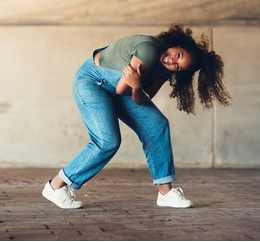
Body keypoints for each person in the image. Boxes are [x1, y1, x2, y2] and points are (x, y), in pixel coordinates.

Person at [42, 24, 232, 209]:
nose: (172, 61)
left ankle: (166, 194)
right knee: (107, 141)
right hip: (92, 82)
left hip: (121, 89)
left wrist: (137, 86)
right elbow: (122, 89)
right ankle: (56, 186)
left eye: (178, 66)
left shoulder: (165, 70)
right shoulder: (149, 49)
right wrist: (135, 87)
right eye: (178, 55)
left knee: (157, 125)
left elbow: (142, 98)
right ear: (178, 45)